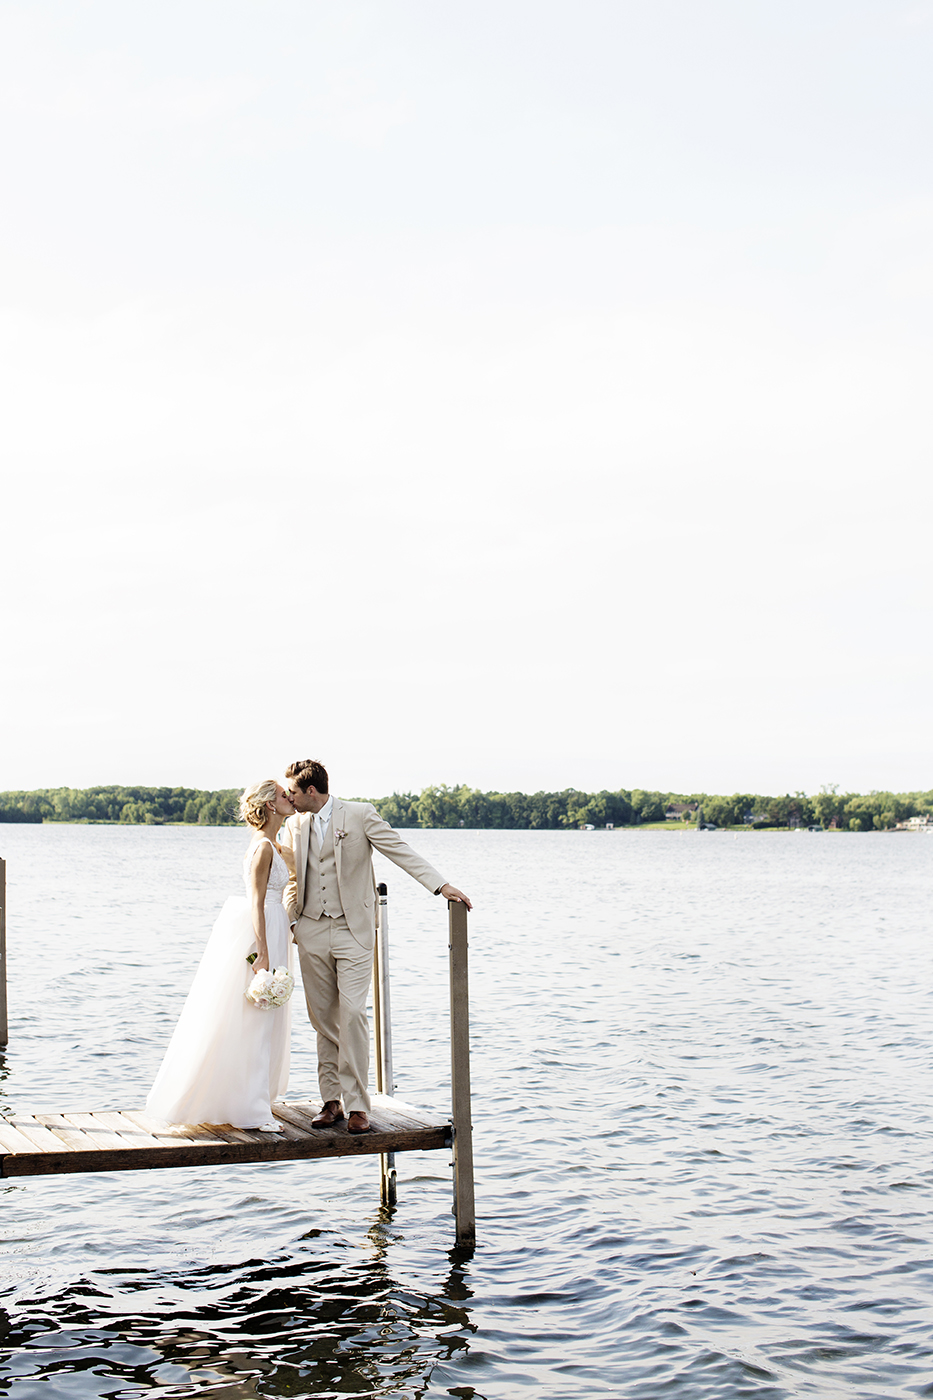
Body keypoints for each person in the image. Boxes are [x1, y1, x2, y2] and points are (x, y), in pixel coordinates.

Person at [281, 758, 472, 1135]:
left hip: (354, 930)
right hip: (311, 930)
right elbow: (292, 878)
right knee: (323, 1019)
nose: (289, 797)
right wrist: (294, 920)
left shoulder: (360, 815)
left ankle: (358, 1106)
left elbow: (400, 851)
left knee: (352, 1013)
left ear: (311, 792)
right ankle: (331, 1101)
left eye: (293, 791)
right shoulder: (293, 825)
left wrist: (440, 885)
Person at [146, 779, 297, 1133]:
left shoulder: (275, 845)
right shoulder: (262, 849)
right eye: (282, 795)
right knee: (256, 1018)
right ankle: (252, 1110)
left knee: (265, 1019)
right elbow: (256, 903)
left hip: (276, 928)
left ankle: (252, 1096)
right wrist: (263, 951)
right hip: (263, 931)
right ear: (270, 805)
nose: (289, 798)